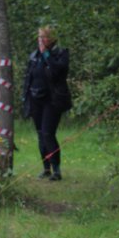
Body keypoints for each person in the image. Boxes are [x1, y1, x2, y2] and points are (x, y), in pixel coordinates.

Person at [22, 25, 72, 181]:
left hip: (52, 100)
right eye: (39, 37)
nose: (41, 40)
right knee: (40, 134)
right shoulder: (34, 56)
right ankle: (46, 168)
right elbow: (28, 77)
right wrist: (25, 97)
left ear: (51, 39)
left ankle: (56, 169)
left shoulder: (61, 53)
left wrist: (46, 54)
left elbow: (57, 72)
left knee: (48, 133)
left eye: (44, 37)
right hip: (35, 98)